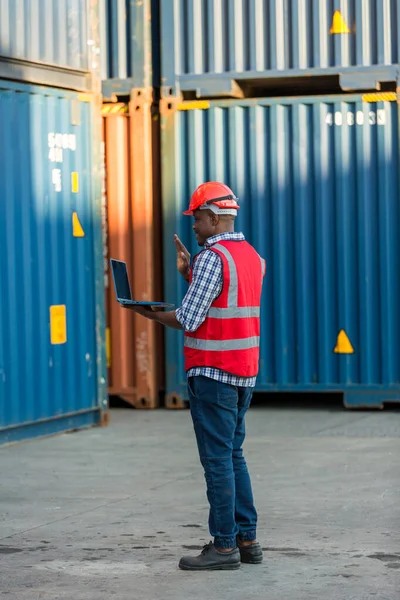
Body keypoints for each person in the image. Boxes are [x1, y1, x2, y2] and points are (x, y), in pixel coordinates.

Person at [125, 182, 266, 571]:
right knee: (234, 454)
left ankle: (223, 547)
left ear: (216, 217)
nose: (193, 226)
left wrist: (148, 313)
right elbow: (224, 301)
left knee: (217, 460)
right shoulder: (252, 257)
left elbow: (188, 318)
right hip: (243, 373)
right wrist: (190, 273)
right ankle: (247, 539)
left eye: (197, 218)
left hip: (213, 373)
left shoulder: (212, 258)